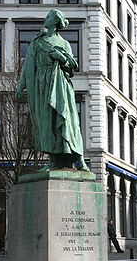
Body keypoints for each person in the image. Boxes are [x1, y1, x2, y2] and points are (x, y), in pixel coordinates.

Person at [15, 9, 89, 172]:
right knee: (47, 123)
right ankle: (54, 160)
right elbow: (28, 65)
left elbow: (72, 68)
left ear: (55, 21)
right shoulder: (37, 41)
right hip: (42, 85)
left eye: (48, 16)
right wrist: (21, 86)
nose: (45, 18)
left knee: (68, 121)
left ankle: (79, 159)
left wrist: (61, 57)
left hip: (60, 83)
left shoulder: (64, 44)